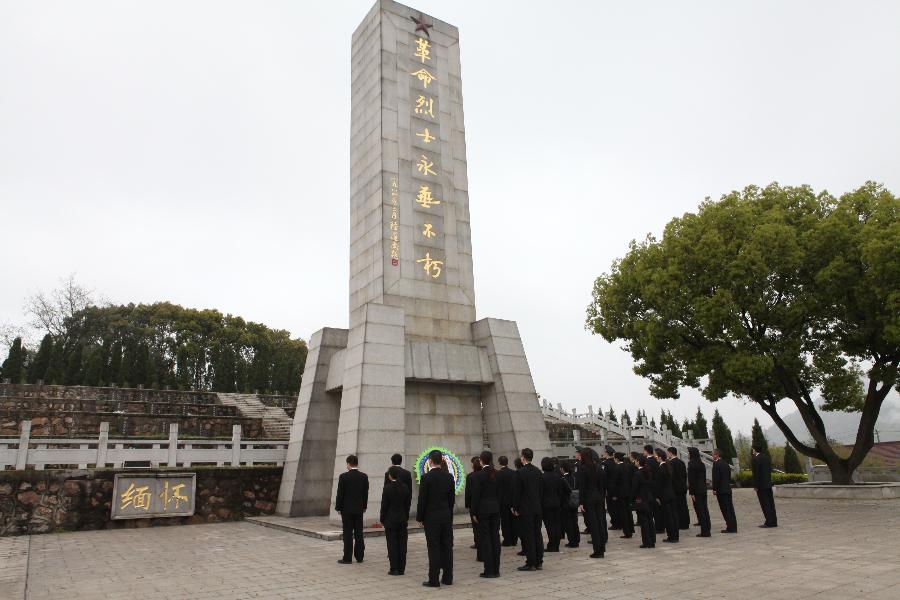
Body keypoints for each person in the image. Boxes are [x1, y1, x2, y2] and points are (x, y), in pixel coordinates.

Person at [416, 449, 456, 588]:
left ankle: (433, 579)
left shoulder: (426, 478)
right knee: (447, 547)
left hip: (431, 518)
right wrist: (448, 513)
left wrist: (420, 517)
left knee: (433, 548)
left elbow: (422, 500)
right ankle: (448, 577)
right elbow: (452, 500)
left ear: (430, 461)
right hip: (446, 516)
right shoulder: (449, 477)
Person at [470, 450, 501, 578]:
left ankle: (489, 570)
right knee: (495, 538)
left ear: (481, 461)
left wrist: (474, 512)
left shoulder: (478, 475)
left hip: (483, 510)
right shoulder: (496, 473)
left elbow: (475, 496)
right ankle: (496, 569)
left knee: (486, 539)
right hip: (495, 509)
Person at [512, 448, 544, 571]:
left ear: (523, 457)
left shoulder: (520, 473)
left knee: (528, 535)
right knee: (537, 534)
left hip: (526, 509)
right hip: (537, 507)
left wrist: (515, 507)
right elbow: (541, 491)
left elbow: (517, 493)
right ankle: (539, 561)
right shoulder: (537, 471)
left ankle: (531, 562)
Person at [335, 454, 369, 564]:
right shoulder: (364, 476)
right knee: (359, 533)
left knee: (348, 534)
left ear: (349, 464)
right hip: (359, 509)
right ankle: (360, 557)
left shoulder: (343, 477)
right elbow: (365, 494)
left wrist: (338, 507)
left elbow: (340, 494)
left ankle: (347, 558)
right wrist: (364, 506)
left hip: (347, 510)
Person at [381, 465, 412, 575]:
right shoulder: (405, 488)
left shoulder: (387, 488)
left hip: (390, 519)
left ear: (390, 476)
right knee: (402, 544)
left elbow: (384, 505)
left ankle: (393, 568)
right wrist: (406, 516)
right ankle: (402, 568)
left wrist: (382, 519)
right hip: (402, 518)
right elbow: (407, 504)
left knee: (392, 544)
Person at [576, 447, 606, 558]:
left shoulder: (583, 468)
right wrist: (601, 497)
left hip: (589, 498)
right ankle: (602, 548)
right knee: (600, 523)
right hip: (598, 497)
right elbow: (602, 485)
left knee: (593, 525)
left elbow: (582, 487)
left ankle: (597, 550)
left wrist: (581, 502)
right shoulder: (598, 467)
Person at [540, 457, 567, 552]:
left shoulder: (542, 477)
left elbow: (540, 492)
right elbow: (561, 491)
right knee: (557, 524)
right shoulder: (557, 476)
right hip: (557, 503)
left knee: (549, 526)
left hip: (546, 505)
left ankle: (552, 545)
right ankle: (556, 544)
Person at [629, 452, 655, 548]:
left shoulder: (637, 474)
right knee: (650, 520)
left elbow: (634, 489)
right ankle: (652, 541)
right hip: (648, 498)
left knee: (644, 522)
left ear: (638, 462)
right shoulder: (648, 472)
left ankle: (646, 542)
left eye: (636, 461)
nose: (635, 462)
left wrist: (631, 500)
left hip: (640, 499)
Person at [654, 448, 679, 543]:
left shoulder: (661, 468)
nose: (655, 457)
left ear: (659, 457)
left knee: (669, 517)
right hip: (671, 494)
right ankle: (675, 535)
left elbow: (659, 485)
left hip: (665, 495)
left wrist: (657, 496)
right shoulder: (668, 466)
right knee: (674, 515)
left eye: (656, 455)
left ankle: (671, 536)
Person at [751, 445, 778, 528]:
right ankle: (774, 521)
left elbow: (756, 473)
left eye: (753, 449)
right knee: (770, 503)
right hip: (768, 484)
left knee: (765, 504)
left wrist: (755, 485)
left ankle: (769, 522)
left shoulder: (755, 459)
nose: (752, 451)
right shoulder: (766, 457)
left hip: (761, 485)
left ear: (755, 450)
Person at [686, 447, 711, 537]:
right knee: (705, 509)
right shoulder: (701, 464)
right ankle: (707, 528)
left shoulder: (691, 464)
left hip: (696, 490)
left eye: (689, 453)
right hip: (703, 489)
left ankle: (705, 531)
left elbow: (692, 480)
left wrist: (691, 492)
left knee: (700, 510)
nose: (688, 455)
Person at [712, 448, 737, 533]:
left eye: (713, 454)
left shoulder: (716, 464)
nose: (712, 456)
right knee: (730, 509)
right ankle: (733, 526)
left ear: (717, 455)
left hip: (721, 490)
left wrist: (714, 488)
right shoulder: (726, 463)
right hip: (727, 488)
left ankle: (730, 527)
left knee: (725, 510)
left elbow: (716, 478)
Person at [667, 447, 690, 530]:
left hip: (675, 488)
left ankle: (680, 523)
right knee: (684, 505)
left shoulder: (670, 463)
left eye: (668, 453)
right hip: (683, 487)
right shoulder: (681, 462)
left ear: (670, 453)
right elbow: (684, 475)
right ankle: (686, 523)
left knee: (677, 507)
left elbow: (671, 477)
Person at [496, 455, 517, 546]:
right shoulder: (513, 473)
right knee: (513, 521)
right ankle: (514, 539)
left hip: (502, 502)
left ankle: (507, 540)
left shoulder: (498, 474)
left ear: (499, 463)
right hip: (512, 500)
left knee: (505, 521)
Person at [464, 456, 483, 556]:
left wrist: (467, 504)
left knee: (476, 526)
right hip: (486, 505)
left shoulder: (471, 476)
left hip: (474, 505)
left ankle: (478, 543)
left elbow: (468, 493)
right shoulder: (489, 474)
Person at [614, 452, 635, 539]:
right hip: (629, 492)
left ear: (617, 459)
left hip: (621, 493)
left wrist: (615, 495)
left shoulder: (617, 468)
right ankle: (631, 529)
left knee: (624, 513)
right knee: (629, 512)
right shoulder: (629, 466)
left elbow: (616, 482)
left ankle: (627, 532)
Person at [643, 444, 663, 533]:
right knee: (658, 509)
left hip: (651, 488)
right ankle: (661, 526)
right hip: (657, 487)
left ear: (647, 451)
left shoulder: (647, 461)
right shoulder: (655, 460)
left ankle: (659, 527)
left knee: (655, 510)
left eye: (644, 451)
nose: (643, 452)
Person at [560, 460, 580, 548]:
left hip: (566, 504)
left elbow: (561, 493)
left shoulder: (562, 479)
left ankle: (572, 541)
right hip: (575, 502)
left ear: (562, 469)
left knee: (569, 523)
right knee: (575, 522)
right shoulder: (575, 477)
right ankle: (577, 539)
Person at [602, 446, 620, 530]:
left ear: (607, 454)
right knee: (617, 506)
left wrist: (604, 489)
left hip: (609, 488)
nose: (603, 454)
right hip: (617, 487)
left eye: (604, 453)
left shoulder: (605, 463)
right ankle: (619, 522)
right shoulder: (615, 462)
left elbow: (604, 477)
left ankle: (615, 523)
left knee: (611, 507)